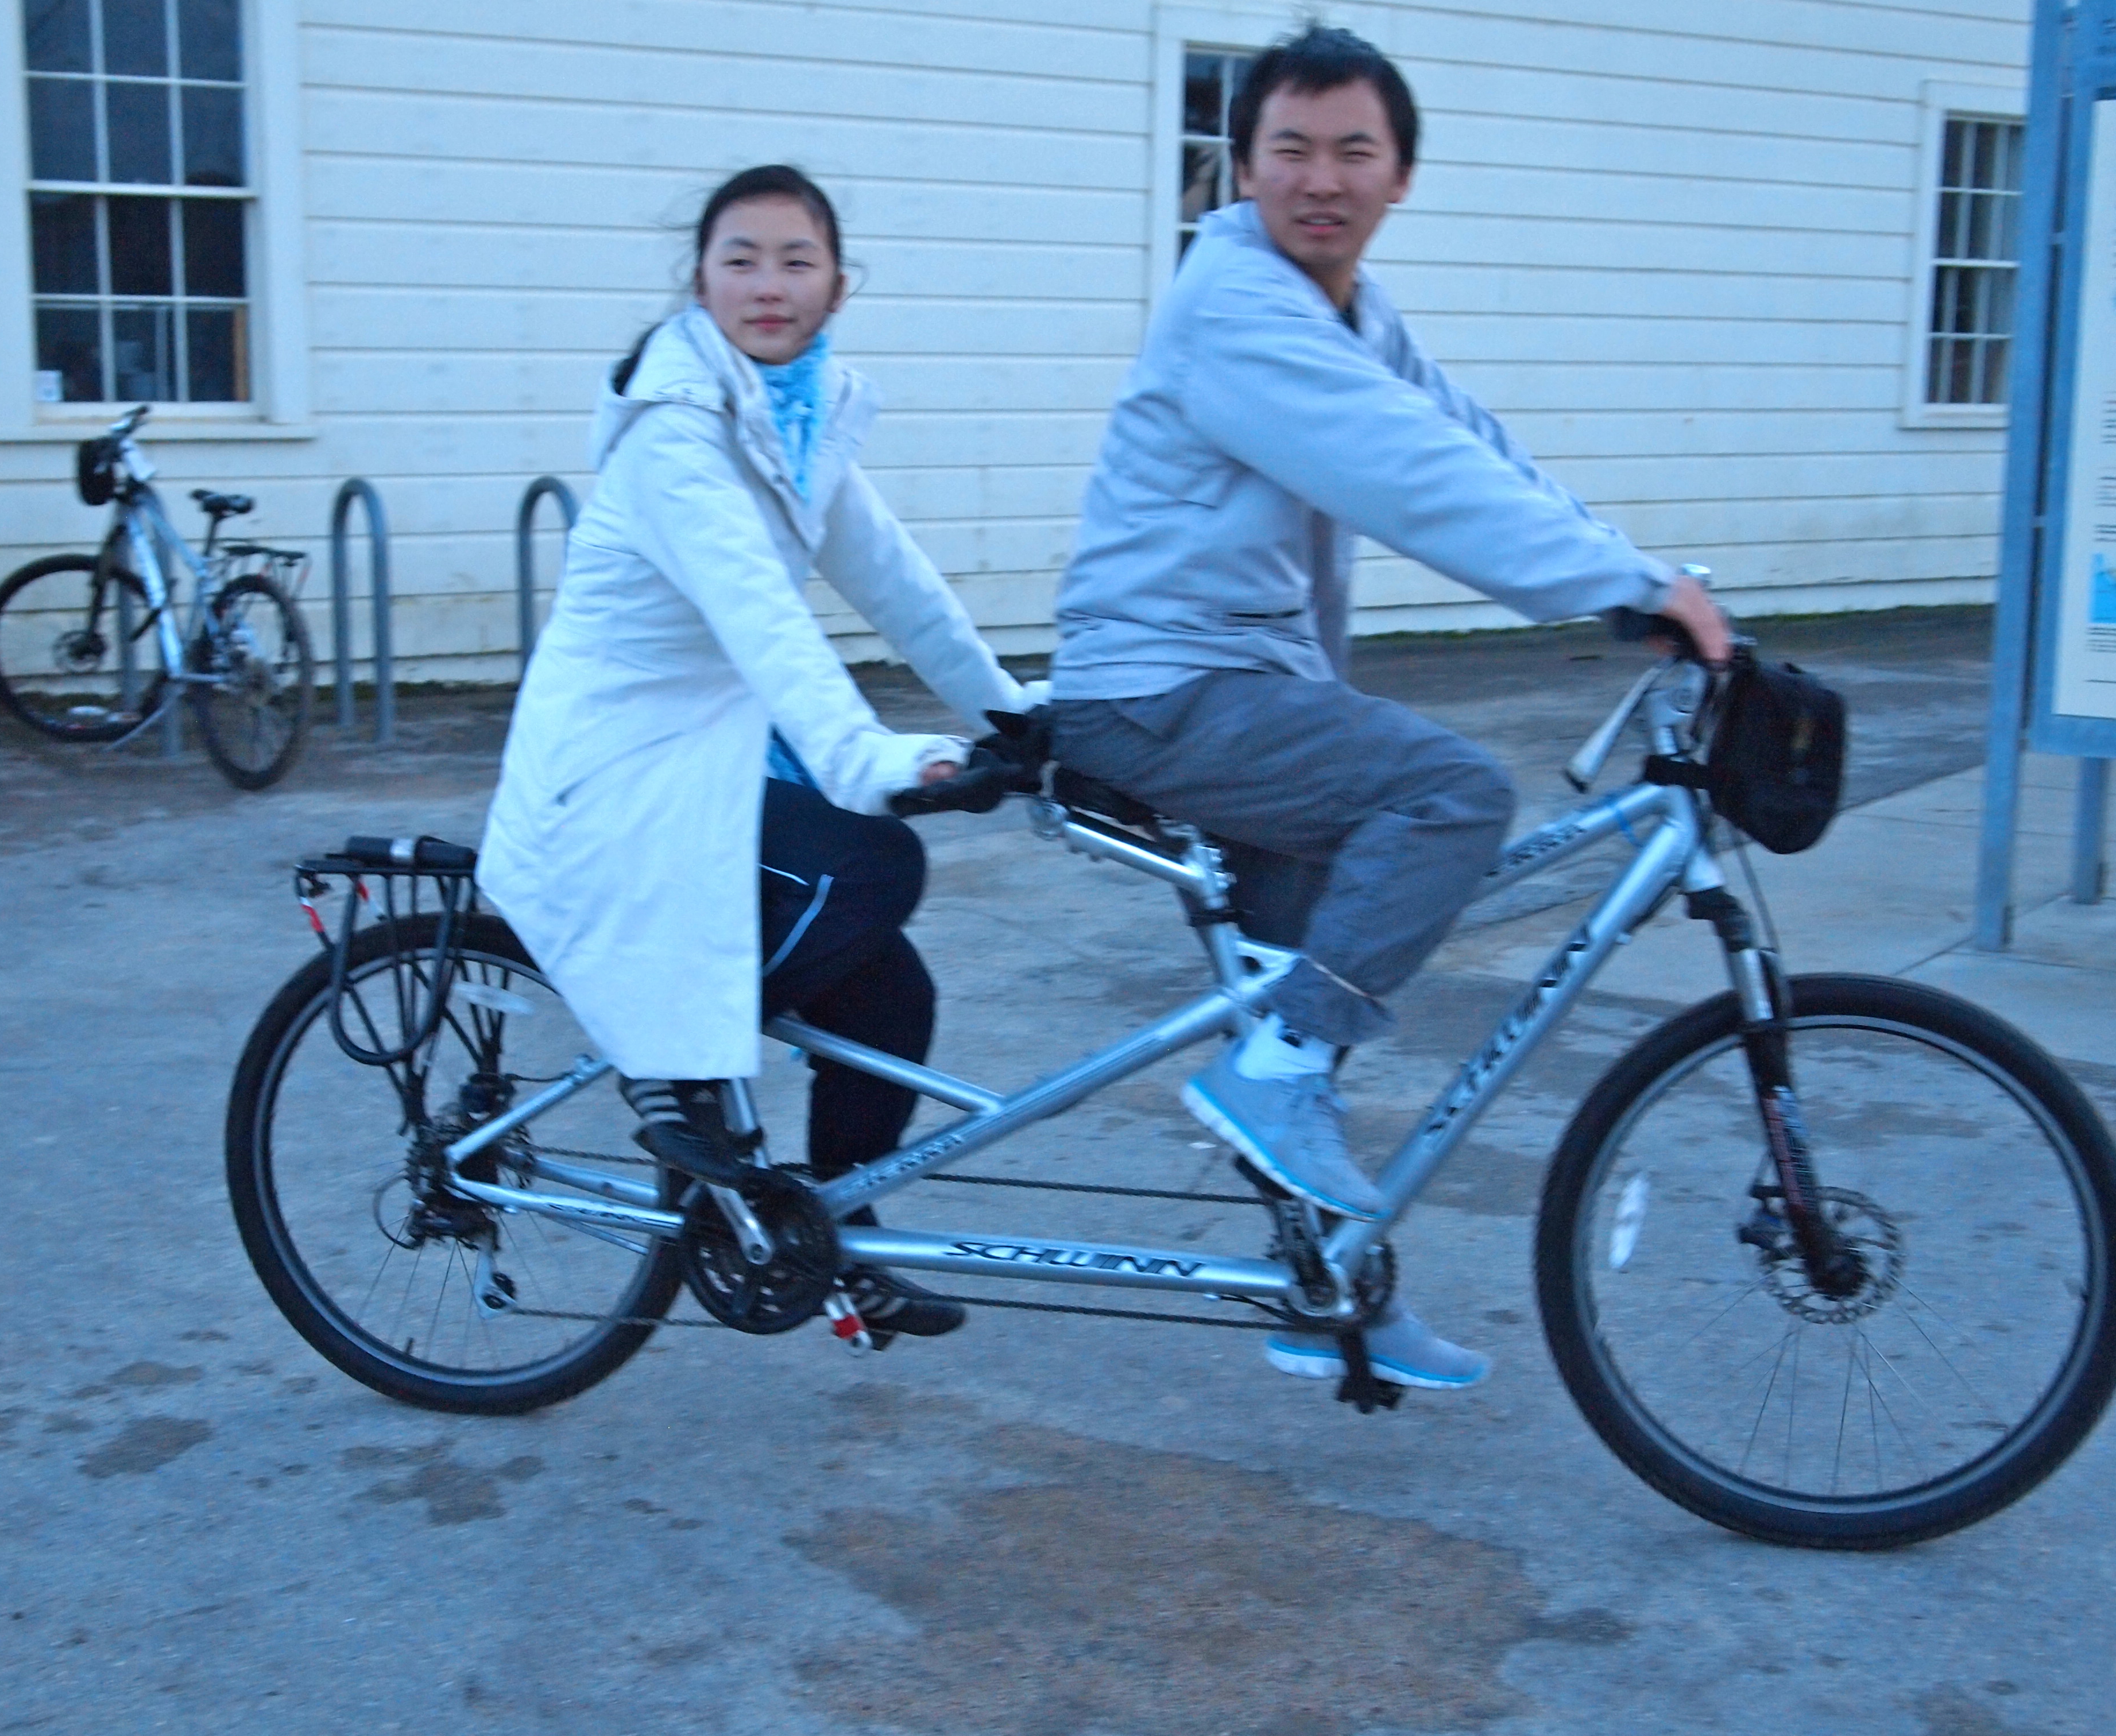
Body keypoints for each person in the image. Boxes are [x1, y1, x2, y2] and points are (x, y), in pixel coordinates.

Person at [1049, 28, 1731, 1389]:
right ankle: (1274, 1084)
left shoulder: (1353, 312)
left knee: (1289, 1001)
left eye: (1353, 151)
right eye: (1290, 150)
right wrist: (1623, 585)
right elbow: (1407, 477)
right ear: (1241, 167)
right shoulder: (1235, 307)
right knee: (1446, 797)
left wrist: (1639, 577)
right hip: (1159, 689)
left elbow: (1471, 448)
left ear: (1401, 175)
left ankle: (1327, 1296)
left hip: (1242, 688)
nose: (1322, 179)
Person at [479, 165, 1032, 1343]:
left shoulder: (796, 419)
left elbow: (898, 585)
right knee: (870, 865)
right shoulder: (677, 435)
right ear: (700, 283)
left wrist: (1016, 717)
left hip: (709, 768)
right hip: (613, 783)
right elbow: (763, 621)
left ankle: (841, 1238)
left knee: (892, 994)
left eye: (796, 261)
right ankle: (671, 1071)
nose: (768, 285)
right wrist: (867, 760)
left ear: (838, 288)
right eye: (741, 259)